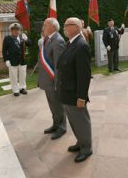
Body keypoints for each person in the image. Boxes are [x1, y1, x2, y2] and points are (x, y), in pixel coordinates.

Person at [56, 17, 92, 163]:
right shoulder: (71, 43)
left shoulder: (81, 45)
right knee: (74, 121)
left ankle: (86, 148)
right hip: (67, 92)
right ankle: (80, 142)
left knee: (81, 121)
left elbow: (84, 75)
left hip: (76, 94)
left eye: (67, 25)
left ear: (76, 27)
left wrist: (81, 97)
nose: (64, 27)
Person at [37, 18, 67, 140]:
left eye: (45, 25)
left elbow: (58, 65)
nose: (43, 27)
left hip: (54, 81)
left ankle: (62, 127)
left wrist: (57, 83)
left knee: (58, 105)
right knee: (52, 105)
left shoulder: (58, 41)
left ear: (53, 27)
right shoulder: (48, 39)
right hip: (48, 81)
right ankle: (55, 124)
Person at [2, 23, 32, 97]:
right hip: (12, 60)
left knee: (23, 75)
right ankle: (15, 90)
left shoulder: (22, 37)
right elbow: (4, 50)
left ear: (20, 30)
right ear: (11, 31)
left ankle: (22, 88)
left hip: (22, 60)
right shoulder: (7, 38)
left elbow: (30, 44)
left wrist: (27, 39)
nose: (16, 31)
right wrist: (6, 60)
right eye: (14, 30)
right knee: (13, 76)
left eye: (18, 29)